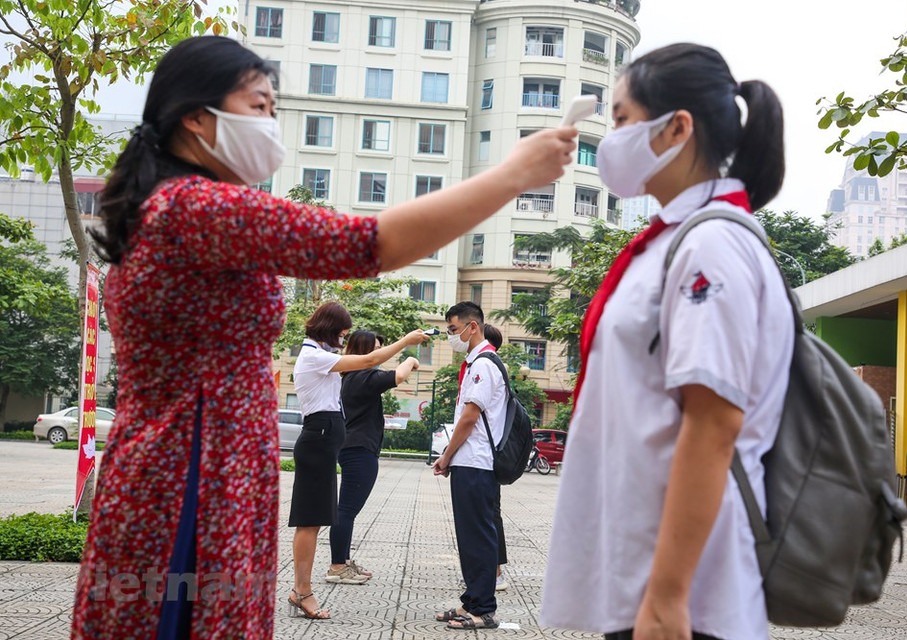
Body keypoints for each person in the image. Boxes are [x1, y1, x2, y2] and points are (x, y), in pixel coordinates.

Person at [73, 35, 575, 639]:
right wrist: (513, 174)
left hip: (203, 467)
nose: (271, 123)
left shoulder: (173, 208)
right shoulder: (199, 209)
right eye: (258, 106)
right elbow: (369, 243)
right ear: (196, 119)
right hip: (191, 478)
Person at [540, 43, 793, 640]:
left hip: (688, 595)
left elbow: (714, 421)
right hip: (645, 575)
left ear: (677, 127)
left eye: (623, 120)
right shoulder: (676, 240)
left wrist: (667, 598)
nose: (611, 138)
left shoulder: (711, 246)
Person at [288, 304, 428, 616]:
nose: (343, 339)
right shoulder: (314, 356)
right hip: (318, 441)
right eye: (341, 333)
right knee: (309, 522)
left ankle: (302, 588)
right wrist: (406, 342)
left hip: (324, 441)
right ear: (329, 329)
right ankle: (303, 591)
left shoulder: (321, 357)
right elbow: (368, 360)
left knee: (316, 519)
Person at [432, 302, 506, 630]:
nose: (451, 336)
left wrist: (446, 455)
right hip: (469, 462)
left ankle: (484, 610)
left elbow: (469, 418)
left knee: (478, 536)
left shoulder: (485, 365)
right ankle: (471, 601)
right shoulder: (474, 362)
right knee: (469, 536)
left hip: (477, 464)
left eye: (453, 330)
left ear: (471, 326)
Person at [328, 330, 420, 586]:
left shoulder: (349, 376)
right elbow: (399, 375)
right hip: (359, 450)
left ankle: (343, 562)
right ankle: (337, 565)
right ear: (363, 351)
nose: (380, 354)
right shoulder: (363, 375)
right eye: (376, 349)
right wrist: (411, 359)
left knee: (347, 509)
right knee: (346, 510)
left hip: (352, 447)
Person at [481, 324, 509, 592]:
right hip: (489, 452)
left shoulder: (489, 366)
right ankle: (493, 570)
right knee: (490, 513)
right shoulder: (490, 364)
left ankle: (496, 572)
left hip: (488, 455)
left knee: (490, 514)